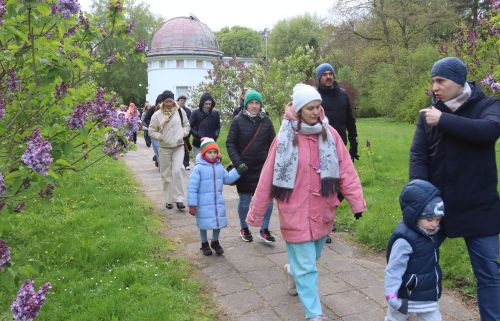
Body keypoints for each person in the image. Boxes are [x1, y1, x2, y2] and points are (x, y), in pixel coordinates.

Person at [246, 84, 367, 321]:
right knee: (309, 267)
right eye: (310, 108)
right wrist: (256, 214)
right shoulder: (284, 139)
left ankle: (292, 271)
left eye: (318, 107)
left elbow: (346, 171)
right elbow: (267, 177)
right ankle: (314, 314)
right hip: (294, 211)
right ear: (299, 109)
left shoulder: (330, 135)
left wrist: (357, 203)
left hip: (323, 210)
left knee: (312, 258)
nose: (315, 112)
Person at [410, 56, 500, 321]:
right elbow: (418, 156)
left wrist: (444, 120)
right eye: (433, 81)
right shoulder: (428, 114)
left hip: (479, 206)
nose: (435, 87)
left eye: (441, 80)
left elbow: (489, 130)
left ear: (459, 81)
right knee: (416, 261)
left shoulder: (487, 105)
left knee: (488, 274)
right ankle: (411, 311)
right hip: (437, 207)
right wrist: (420, 199)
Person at [385, 179, 445, 321]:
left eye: (438, 220)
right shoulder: (404, 240)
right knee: (396, 318)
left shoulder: (430, 233)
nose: (434, 225)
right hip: (404, 295)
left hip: (427, 295)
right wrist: (391, 294)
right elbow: (393, 268)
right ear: (414, 214)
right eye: (429, 219)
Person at [316, 63, 360, 244]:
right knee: (323, 187)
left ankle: (326, 219)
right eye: (324, 74)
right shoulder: (315, 97)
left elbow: (350, 120)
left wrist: (354, 142)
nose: (328, 77)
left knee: (341, 186)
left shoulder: (342, 95)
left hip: (340, 147)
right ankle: (323, 227)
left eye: (330, 74)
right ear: (319, 77)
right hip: (320, 148)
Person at [226, 89, 276, 243]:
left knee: (267, 200)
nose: (254, 106)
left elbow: (273, 145)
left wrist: (271, 163)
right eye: (251, 103)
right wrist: (238, 163)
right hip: (244, 169)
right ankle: (244, 228)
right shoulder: (237, 121)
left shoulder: (266, 122)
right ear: (246, 104)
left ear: (260, 105)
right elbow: (230, 143)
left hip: (263, 169)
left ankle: (264, 229)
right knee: (245, 200)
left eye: (257, 103)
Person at [187, 137, 246, 256]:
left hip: (217, 202)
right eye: (210, 152)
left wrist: (238, 171)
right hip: (202, 203)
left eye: (215, 152)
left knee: (218, 222)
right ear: (204, 153)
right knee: (203, 224)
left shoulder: (219, 167)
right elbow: (192, 187)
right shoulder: (198, 169)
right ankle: (204, 243)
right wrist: (192, 204)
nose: (213, 155)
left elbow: (228, 179)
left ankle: (215, 241)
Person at [148, 90, 190, 210]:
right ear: (163, 102)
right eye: (166, 101)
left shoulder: (180, 112)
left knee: (177, 171)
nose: (168, 104)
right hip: (164, 148)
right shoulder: (157, 115)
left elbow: (186, 124)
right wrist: (161, 137)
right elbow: (151, 131)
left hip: (178, 146)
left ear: (173, 101)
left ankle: (180, 199)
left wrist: (183, 133)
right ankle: (168, 199)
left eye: (170, 101)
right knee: (166, 175)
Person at [189, 93, 221, 158]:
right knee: (199, 163)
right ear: (202, 103)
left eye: (210, 104)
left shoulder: (216, 114)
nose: (208, 106)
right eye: (206, 104)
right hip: (198, 143)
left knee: (210, 162)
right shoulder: (195, 113)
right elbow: (189, 127)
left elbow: (218, 127)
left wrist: (215, 136)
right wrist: (197, 135)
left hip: (210, 143)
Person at [143, 94, 164, 167]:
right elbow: (146, 119)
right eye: (159, 102)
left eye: (162, 102)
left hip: (164, 133)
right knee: (157, 149)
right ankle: (160, 163)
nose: (161, 104)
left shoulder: (167, 110)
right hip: (154, 132)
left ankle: (160, 162)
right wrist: (153, 125)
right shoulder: (152, 109)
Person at [177, 95, 192, 170]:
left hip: (185, 133)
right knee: (178, 148)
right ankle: (180, 163)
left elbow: (189, 123)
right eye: (181, 100)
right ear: (178, 101)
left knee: (185, 148)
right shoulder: (175, 109)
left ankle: (186, 164)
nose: (182, 102)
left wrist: (187, 132)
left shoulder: (188, 111)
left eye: (184, 101)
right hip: (176, 133)